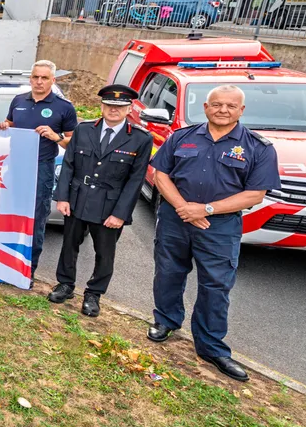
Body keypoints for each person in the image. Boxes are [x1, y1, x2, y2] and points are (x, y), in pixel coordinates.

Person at [147, 85, 279, 382]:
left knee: (216, 285)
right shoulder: (182, 136)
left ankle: (210, 346)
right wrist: (183, 207)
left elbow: (254, 195)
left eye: (230, 106)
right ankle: (166, 321)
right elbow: (161, 174)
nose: (223, 110)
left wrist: (204, 210)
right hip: (175, 218)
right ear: (206, 107)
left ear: (241, 110)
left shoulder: (258, 147)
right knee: (168, 272)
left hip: (218, 226)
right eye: (217, 104)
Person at [49, 85, 152, 317]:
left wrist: (120, 214)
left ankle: (94, 294)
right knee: (69, 245)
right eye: (109, 105)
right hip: (77, 199)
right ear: (102, 106)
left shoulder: (140, 139)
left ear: (129, 108)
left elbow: (135, 180)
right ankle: (65, 285)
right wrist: (62, 197)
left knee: (105, 253)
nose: (113, 110)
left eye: (119, 106)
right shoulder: (84, 130)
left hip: (109, 206)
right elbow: (68, 165)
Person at [0, 60, 76, 273]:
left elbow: (73, 141)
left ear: (53, 80)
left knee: (36, 219)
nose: (39, 82)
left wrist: (55, 136)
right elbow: (11, 122)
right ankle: (3, 261)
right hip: (15, 166)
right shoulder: (18, 100)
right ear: (30, 78)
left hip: (41, 168)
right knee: (9, 214)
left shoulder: (64, 107)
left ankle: (28, 269)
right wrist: (6, 125)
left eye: (44, 78)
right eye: (35, 77)